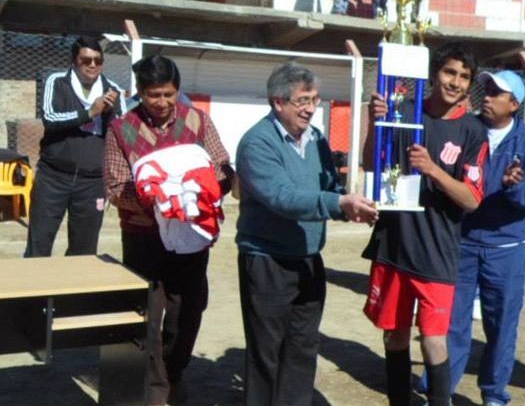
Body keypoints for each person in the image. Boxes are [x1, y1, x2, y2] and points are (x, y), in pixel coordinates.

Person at [235, 62, 378, 406]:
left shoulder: (316, 139)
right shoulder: (257, 143)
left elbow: (327, 187)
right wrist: (338, 203)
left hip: (309, 259)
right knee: (266, 352)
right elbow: (282, 197)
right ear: (277, 102)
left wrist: (352, 204)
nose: (311, 108)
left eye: (314, 99)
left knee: (303, 348)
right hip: (267, 260)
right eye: (301, 100)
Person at [105, 55, 234, 406]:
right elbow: (116, 186)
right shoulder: (122, 129)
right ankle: (156, 392)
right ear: (140, 93)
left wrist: (202, 190)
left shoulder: (198, 121)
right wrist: (156, 198)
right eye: (153, 95)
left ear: (178, 91)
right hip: (142, 238)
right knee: (147, 315)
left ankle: (174, 374)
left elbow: (222, 166)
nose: (162, 103)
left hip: (192, 235)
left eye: (168, 94)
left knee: (188, 312)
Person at [361, 42, 486, 406]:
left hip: (437, 251)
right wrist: (376, 121)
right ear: (434, 74)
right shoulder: (402, 113)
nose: (456, 82)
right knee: (394, 337)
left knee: (433, 341)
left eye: (464, 77)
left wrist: (433, 170)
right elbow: (372, 165)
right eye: (450, 72)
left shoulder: (472, 132)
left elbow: (472, 199)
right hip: (394, 245)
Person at [445, 70, 525, 406]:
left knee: (501, 326)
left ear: (514, 104)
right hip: (461, 244)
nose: (487, 97)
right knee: (452, 324)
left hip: (505, 249)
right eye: (486, 90)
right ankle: (440, 389)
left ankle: (493, 395)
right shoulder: (466, 130)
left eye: (496, 93)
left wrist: (513, 186)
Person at [24, 36, 125, 257]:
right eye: (86, 60)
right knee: (38, 243)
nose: (92, 65)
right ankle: (34, 291)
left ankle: (75, 293)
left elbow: (122, 134)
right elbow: (50, 118)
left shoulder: (113, 90)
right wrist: (90, 112)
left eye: (97, 60)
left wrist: (110, 112)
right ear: (74, 61)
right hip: (53, 177)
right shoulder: (57, 82)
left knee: (84, 250)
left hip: (92, 182)